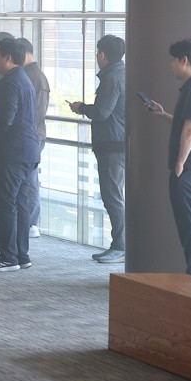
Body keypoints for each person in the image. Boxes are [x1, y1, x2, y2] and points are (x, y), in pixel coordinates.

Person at [145, 38, 191, 278]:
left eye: (173, 60)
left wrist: (179, 164)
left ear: (184, 60)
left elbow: (190, 131)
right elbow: (187, 123)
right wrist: (164, 114)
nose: (171, 65)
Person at [69, 35, 127, 264]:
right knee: (114, 196)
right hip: (116, 144)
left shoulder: (112, 78)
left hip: (112, 146)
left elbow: (102, 112)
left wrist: (81, 107)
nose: (96, 57)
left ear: (103, 55)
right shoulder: (122, 73)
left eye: (97, 53)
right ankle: (120, 244)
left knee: (112, 197)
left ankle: (121, 246)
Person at [0, 38, 40, 272]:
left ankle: (8, 256)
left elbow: (4, 120)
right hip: (27, 151)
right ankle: (21, 254)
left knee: (5, 203)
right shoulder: (23, 79)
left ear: (8, 57)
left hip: (12, 152)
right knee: (20, 204)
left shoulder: (10, 83)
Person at [16, 38, 51, 238]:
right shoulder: (29, 74)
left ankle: (31, 222)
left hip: (32, 134)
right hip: (30, 134)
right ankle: (26, 221)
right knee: (26, 178)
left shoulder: (35, 76)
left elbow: (37, 112)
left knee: (29, 178)